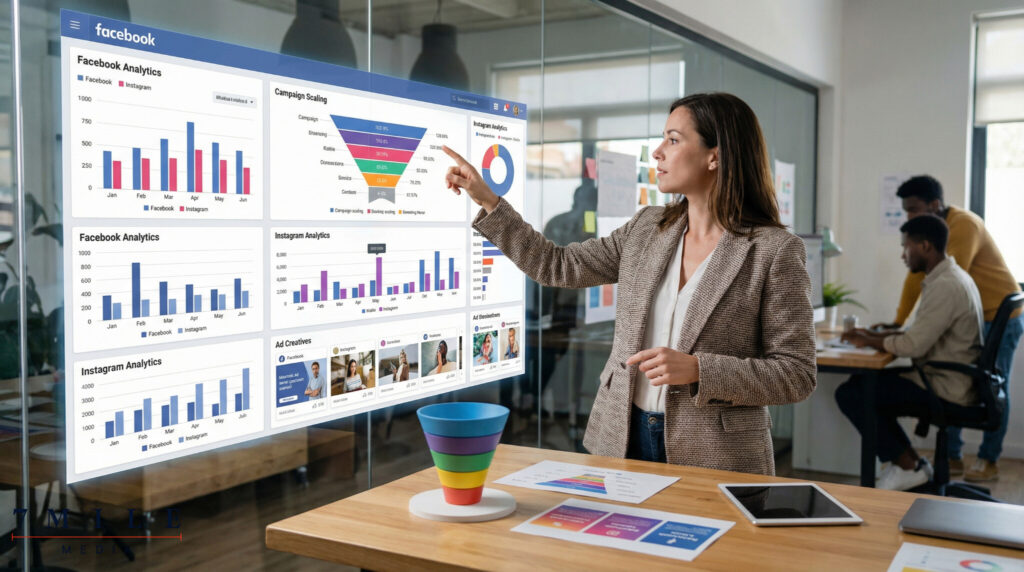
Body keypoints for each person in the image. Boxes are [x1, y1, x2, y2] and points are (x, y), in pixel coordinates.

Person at [443, 92, 816, 475]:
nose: (657, 152)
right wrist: (488, 200)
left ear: (714, 156)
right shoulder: (648, 228)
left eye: (673, 139)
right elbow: (558, 265)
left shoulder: (773, 251)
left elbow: (797, 374)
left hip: (717, 453)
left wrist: (700, 370)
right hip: (621, 436)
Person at [873, 175, 1022, 482]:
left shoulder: (963, 225)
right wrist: (901, 322)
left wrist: (901, 329)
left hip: (1001, 315)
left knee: (995, 386)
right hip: (978, 311)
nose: (910, 217)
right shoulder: (935, 233)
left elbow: (939, 275)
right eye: (906, 211)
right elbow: (920, 277)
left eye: (914, 210)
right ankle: (951, 459)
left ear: (934, 205)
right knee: (954, 372)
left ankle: (988, 459)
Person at [837, 215, 984, 491]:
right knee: (861, 387)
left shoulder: (945, 286)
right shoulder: (948, 277)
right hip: (945, 376)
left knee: (854, 393)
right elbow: (914, 333)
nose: (903, 255)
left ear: (926, 247)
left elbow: (912, 346)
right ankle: (912, 464)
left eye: (907, 247)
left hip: (945, 386)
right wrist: (870, 336)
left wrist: (869, 341)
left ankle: (906, 466)